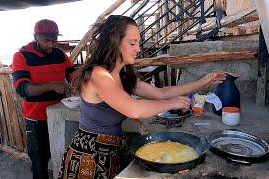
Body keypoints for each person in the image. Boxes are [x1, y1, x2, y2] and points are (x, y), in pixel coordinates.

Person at [58, 15, 226, 179]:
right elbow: (134, 109)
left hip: (109, 153)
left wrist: (202, 82)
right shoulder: (98, 75)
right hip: (88, 158)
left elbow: (160, 93)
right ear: (114, 42)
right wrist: (172, 103)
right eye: (132, 43)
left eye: (138, 43)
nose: (138, 49)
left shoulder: (122, 75)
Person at [12, 19, 78, 179]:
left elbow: (72, 74)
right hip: (36, 121)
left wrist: (80, 81)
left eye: (54, 39)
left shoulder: (60, 55)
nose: (51, 44)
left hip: (60, 115)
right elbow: (23, 89)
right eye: (46, 40)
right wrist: (52, 85)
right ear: (36, 37)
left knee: (63, 156)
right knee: (39, 163)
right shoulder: (22, 56)